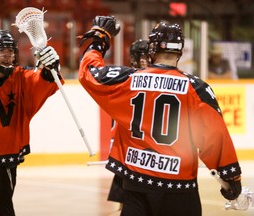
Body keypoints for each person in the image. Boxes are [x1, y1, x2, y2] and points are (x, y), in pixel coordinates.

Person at [78, 16, 242, 216]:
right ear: (180, 51)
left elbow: (89, 72)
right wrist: (231, 180)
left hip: (136, 186)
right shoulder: (197, 89)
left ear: (152, 49)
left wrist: (99, 37)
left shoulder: (127, 80)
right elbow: (215, 139)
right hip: (179, 190)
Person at [0, 29, 64, 216]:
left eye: (10, 51)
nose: (7, 56)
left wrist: (51, 68)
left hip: (7, 159)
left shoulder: (20, 77)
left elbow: (43, 81)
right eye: (1, 51)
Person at [107, 38, 150, 208]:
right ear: (134, 58)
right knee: (129, 199)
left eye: (147, 56)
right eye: (142, 57)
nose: (145, 60)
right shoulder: (126, 78)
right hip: (129, 147)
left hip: (144, 149)